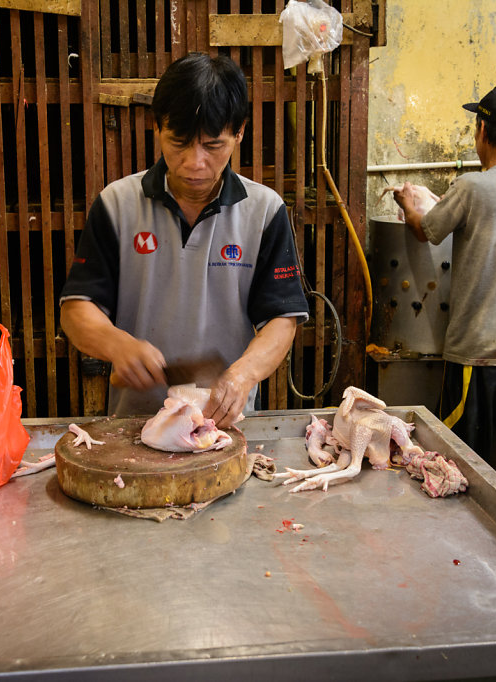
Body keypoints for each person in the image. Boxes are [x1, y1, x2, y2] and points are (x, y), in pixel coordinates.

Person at [59, 52, 309, 429]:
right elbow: (77, 310)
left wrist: (243, 374)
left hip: (224, 426)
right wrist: (117, 345)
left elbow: (282, 319)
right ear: (157, 128)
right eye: (179, 142)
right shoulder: (118, 204)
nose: (195, 162)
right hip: (135, 425)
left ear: (239, 132)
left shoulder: (264, 211)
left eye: (213, 146)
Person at [392, 83, 496, 503]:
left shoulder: (473, 188)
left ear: (482, 130)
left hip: (479, 354)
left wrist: (408, 201)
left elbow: (426, 230)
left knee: (463, 459)